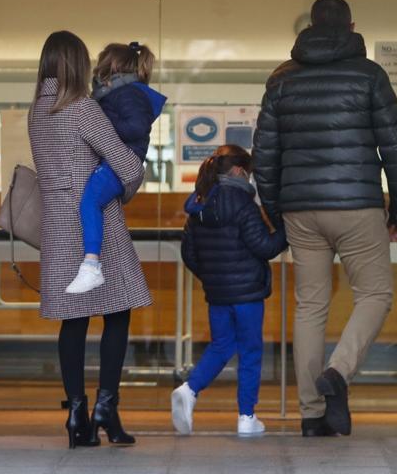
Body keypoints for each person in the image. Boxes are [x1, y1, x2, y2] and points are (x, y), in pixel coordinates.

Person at [253, 0, 397, 438]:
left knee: (310, 307)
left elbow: (264, 155)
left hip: (300, 210)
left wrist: (276, 212)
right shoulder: (368, 76)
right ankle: (339, 373)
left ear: (307, 29)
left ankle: (310, 415)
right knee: (375, 295)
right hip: (357, 205)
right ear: (352, 26)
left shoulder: (281, 80)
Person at [28, 31, 151, 449]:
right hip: (97, 224)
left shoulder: (37, 110)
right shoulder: (82, 109)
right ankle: (107, 408)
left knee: (74, 321)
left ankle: (77, 417)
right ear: (78, 65)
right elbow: (126, 164)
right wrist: (128, 182)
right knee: (117, 313)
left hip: (58, 226)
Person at [171, 145, 287, 437]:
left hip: (218, 294)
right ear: (238, 171)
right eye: (248, 174)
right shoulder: (243, 203)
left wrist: (212, 276)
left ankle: (190, 388)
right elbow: (264, 246)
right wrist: (286, 232)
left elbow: (189, 252)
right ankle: (246, 417)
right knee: (249, 352)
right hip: (247, 294)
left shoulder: (199, 205)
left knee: (222, 345)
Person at [66, 42, 167, 294]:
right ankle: (91, 263)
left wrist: (102, 126)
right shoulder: (117, 93)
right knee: (91, 202)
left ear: (112, 65)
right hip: (117, 160)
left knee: (89, 201)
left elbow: (136, 127)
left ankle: (91, 265)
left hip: (122, 160)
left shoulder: (128, 93)